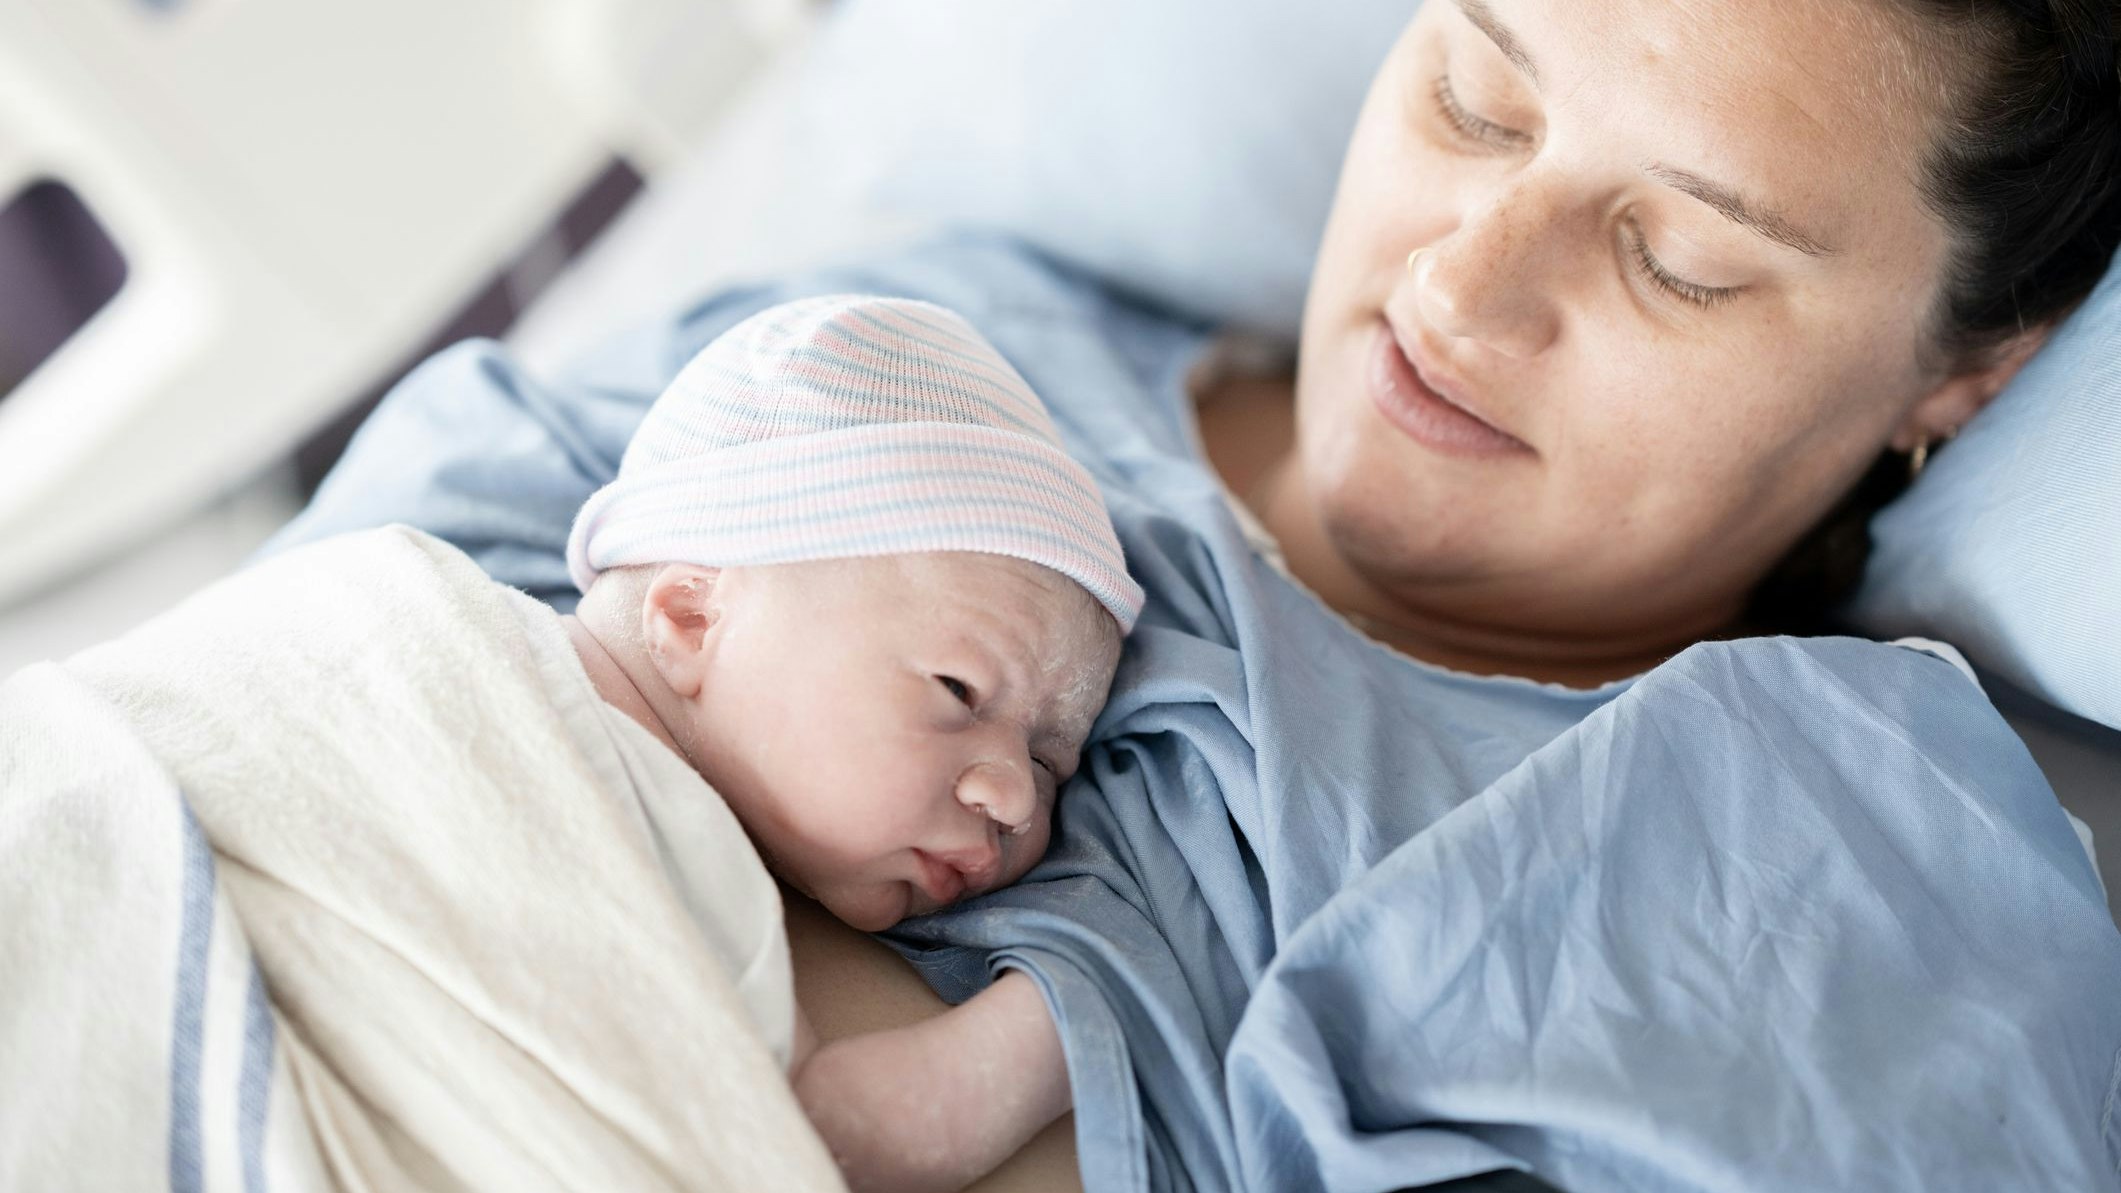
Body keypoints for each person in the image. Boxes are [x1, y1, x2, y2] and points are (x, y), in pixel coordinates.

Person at [270, 0, 2121, 1189]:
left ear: (1967, 375)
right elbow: (326, 670)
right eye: (1476, 104)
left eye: (1679, 258)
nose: (1455, 296)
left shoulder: (1838, 870)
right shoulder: (920, 361)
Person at [0, 295, 1136, 1193]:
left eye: (1050, 762)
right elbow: (828, 1137)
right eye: (958, 688)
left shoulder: (687, 861)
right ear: (692, 618)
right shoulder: (427, 638)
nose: (1011, 799)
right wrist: (1071, 1015)